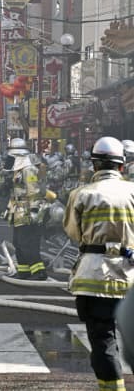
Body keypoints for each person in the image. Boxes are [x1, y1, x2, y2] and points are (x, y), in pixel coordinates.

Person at [63, 136, 134, 391]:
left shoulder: (81, 194)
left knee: (103, 339)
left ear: (94, 165)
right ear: (121, 166)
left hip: (93, 276)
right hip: (130, 276)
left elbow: (73, 232)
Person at [3, 138, 48, 280]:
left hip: (27, 211)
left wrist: (34, 211)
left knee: (27, 243)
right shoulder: (19, 170)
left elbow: (33, 190)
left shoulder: (28, 169)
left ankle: (39, 272)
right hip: (18, 210)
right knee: (18, 242)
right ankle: (24, 271)